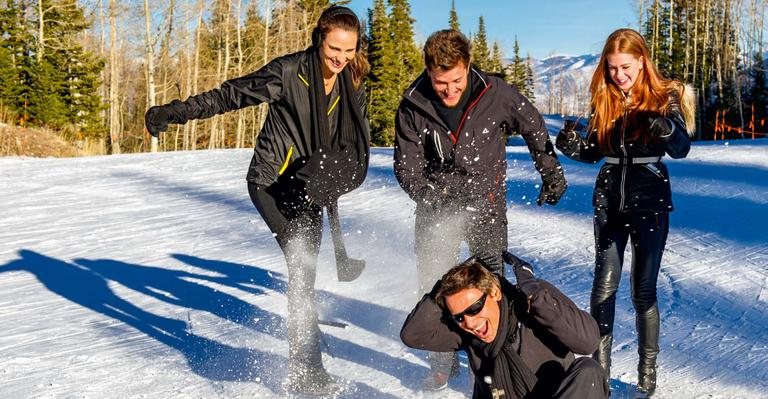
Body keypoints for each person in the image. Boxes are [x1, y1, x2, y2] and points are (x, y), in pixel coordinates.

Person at [144, 5, 370, 396]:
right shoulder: (288, 72)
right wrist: (176, 112)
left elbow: (354, 142)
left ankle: (306, 348)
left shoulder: (351, 84)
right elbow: (230, 95)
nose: (340, 58)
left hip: (311, 188)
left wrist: (336, 176)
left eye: (349, 51)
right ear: (319, 39)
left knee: (306, 273)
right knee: (301, 265)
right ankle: (307, 369)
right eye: (335, 48)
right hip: (271, 183)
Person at [393, 29, 567, 390]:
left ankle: (495, 360)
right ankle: (442, 363)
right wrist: (429, 196)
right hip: (436, 210)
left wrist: (550, 172)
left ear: (468, 66)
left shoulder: (495, 93)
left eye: (456, 81)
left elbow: (532, 124)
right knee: (436, 287)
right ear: (428, 72)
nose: (450, 90)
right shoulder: (413, 104)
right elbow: (406, 167)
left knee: (490, 286)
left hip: (485, 206)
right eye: (441, 83)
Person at [555, 28, 695, 397]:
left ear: (642, 61)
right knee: (603, 288)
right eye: (613, 67)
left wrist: (664, 127)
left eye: (626, 66)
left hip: (649, 201)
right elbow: (592, 152)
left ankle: (646, 377)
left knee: (642, 292)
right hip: (608, 201)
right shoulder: (604, 99)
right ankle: (599, 375)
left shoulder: (665, 96)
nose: (619, 74)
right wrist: (570, 145)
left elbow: (682, 147)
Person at [400, 253, 608, 398]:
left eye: (474, 308)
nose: (470, 322)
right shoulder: (468, 332)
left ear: (495, 292)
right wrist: (441, 289)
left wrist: (535, 294)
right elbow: (413, 335)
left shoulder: (532, 304)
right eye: (459, 317)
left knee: (588, 372)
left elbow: (587, 342)